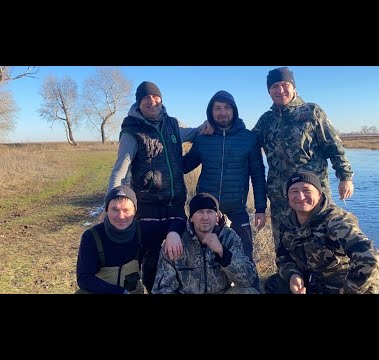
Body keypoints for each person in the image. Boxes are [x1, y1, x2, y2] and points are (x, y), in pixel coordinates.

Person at [105, 81, 212, 293]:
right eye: (146, 98)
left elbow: (194, 133)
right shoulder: (132, 132)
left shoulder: (172, 124)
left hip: (175, 205)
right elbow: (120, 169)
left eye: (155, 97)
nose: (151, 101)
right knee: (150, 260)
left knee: (179, 255)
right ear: (139, 102)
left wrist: (207, 125)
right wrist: (109, 203)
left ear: (161, 99)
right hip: (147, 207)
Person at [251, 66, 355, 250]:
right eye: (274, 86)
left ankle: (321, 278)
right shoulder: (266, 121)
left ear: (294, 88)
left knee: (321, 240)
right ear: (269, 92)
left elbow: (334, 146)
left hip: (312, 192)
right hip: (280, 195)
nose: (280, 90)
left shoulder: (311, 112)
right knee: (284, 242)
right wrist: (211, 127)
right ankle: (289, 276)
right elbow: (246, 142)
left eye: (284, 85)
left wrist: (345, 177)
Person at [182, 90, 267, 291]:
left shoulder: (249, 138)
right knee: (204, 260)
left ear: (234, 111)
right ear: (211, 112)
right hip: (206, 213)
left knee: (245, 259)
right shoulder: (203, 138)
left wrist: (261, 208)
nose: (222, 113)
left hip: (237, 211)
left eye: (227, 108)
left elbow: (257, 174)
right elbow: (184, 166)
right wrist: (173, 142)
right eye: (217, 108)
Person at [264, 172, 379, 294]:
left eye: (307, 190)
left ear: (319, 194)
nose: (300, 196)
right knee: (274, 285)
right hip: (312, 280)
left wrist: (350, 289)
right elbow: (283, 256)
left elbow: (369, 255)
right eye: (294, 191)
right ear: (287, 196)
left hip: (340, 284)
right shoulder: (287, 220)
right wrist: (293, 275)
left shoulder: (336, 221)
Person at [76, 185, 186, 294]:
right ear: (107, 211)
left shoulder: (143, 228)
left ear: (135, 211)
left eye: (126, 210)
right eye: (115, 210)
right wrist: (119, 292)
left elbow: (178, 221)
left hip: (133, 291)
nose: (121, 216)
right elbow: (84, 278)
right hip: (102, 291)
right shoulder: (91, 236)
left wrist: (173, 233)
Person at [151, 193, 259, 294]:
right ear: (191, 218)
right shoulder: (176, 242)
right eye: (200, 212)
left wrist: (223, 253)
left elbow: (247, 280)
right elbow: (163, 288)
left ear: (216, 217)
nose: (205, 217)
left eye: (210, 211)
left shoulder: (228, 237)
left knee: (248, 291)